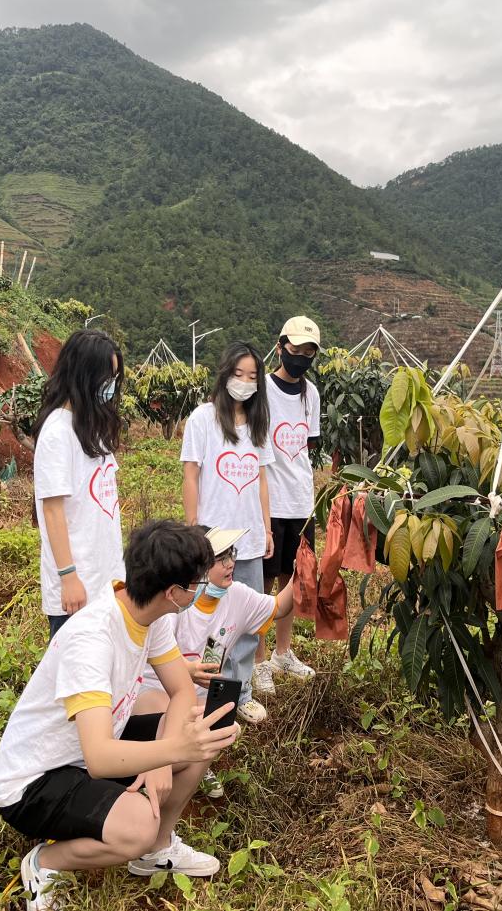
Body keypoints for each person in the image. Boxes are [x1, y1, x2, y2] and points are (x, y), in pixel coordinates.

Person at [0, 520, 242, 910]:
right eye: (197, 583)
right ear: (173, 593)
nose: (201, 589)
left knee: (200, 729)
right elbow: (99, 758)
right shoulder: (91, 639)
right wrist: (172, 750)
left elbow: (179, 690)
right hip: (36, 781)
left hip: (89, 752)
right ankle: (45, 862)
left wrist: (165, 757)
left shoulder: (147, 615)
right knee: (140, 823)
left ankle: (157, 849)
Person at [137, 525, 299, 797]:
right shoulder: (175, 603)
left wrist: (300, 574)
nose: (230, 563)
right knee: (177, 720)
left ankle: (189, 764)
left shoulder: (237, 596)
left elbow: (280, 607)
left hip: (197, 699)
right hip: (156, 692)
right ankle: (155, 768)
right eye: (221, 558)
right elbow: (149, 656)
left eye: (231, 554)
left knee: (224, 725)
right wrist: (186, 670)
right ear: (198, 567)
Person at [180, 342, 275, 722]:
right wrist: (193, 529)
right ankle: (211, 695)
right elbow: (190, 474)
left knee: (246, 623)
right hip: (214, 539)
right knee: (208, 622)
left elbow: (262, 479)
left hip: (248, 539)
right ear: (225, 374)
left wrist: (267, 528)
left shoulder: (258, 424)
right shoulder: (202, 419)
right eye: (239, 374)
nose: (245, 382)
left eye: (253, 376)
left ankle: (242, 693)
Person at [32, 329, 126, 639]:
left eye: (114, 378)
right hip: (77, 586)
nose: (110, 386)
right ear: (84, 375)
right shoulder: (58, 433)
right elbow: (53, 510)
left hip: (105, 580)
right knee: (75, 665)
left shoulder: (91, 426)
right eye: (106, 378)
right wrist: (68, 577)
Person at [254, 315, 322, 697]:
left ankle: (283, 652)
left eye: (308, 353)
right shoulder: (262, 390)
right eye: (295, 349)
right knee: (263, 584)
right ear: (281, 347)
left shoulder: (311, 394)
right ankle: (259, 660)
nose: (300, 358)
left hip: (301, 500)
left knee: (293, 579)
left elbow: (307, 447)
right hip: (269, 502)